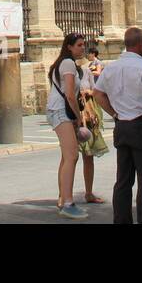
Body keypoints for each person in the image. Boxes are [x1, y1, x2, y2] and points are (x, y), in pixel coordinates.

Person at [94, 27, 142, 224]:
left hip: (122, 127)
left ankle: (121, 220)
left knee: (123, 180)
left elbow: (98, 93)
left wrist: (114, 113)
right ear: (141, 44)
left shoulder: (112, 67)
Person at [47, 32, 90, 219]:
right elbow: (71, 95)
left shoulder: (64, 63)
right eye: (79, 45)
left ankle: (62, 197)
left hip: (58, 110)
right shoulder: (68, 63)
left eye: (83, 45)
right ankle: (68, 202)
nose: (83, 48)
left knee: (67, 157)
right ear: (69, 47)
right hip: (61, 111)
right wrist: (78, 117)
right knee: (72, 156)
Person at [75, 48, 108, 205]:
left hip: (87, 115)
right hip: (73, 116)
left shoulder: (87, 70)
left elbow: (96, 90)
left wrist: (87, 91)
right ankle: (64, 195)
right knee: (70, 157)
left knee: (88, 156)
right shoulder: (66, 70)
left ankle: (88, 192)